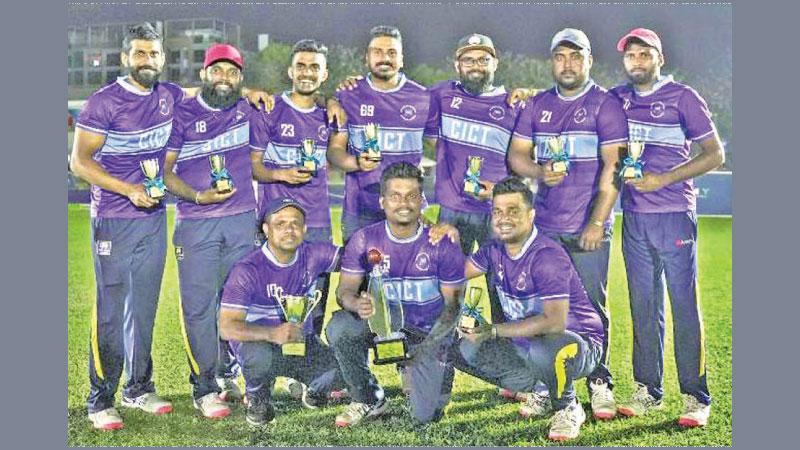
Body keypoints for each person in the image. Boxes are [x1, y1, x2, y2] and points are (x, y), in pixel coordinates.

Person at [507, 28, 628, 419]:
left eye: (576, 56)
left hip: (586, 227)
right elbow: (517, 157)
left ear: (589, 60)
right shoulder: (537, 104)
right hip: (546, 228)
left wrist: (597, 221)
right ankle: (550, 383)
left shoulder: (605, 104)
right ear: (552, 61)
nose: (568, 64)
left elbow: (615, 167)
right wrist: (540, 172)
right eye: (561, 57)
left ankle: (600, 381)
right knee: (549, 307)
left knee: (591, 307)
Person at [70, 22, 182, 430]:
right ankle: (100, 399)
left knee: (144, 308)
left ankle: (138, 388)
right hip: (114, 221)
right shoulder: (103, 102)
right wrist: (129, 189)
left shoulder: (168, 95)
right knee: (111, 312)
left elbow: (208, 97)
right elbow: (79, 163)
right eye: (139, 53)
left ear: (162, 58)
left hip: (153, 220)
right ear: (125, 58)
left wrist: (254, 94)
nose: (147, 60)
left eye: (153, 53)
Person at [611, 28, 725, 428]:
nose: (637, 61)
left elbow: (715, 154)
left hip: (674, 213)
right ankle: (648, 390)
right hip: (634, 217)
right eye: (631, 55)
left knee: (683, 306)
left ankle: (696, 396)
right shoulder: (617, 99)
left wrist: (664, 179)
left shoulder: (683, 97)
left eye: (645, 54)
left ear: (660, 57)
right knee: (643, 306)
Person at [451, 177, 605, 441]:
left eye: (514, 211)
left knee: (546, 347)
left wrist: (493, 330)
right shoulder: (494, 250)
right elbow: (455, 275)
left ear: (531, 215)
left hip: (577, 344)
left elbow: (554, 324)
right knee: (462, 348)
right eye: (498, 211)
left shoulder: (546, 256)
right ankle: (541, 389)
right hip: (530, 344)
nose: (504, 218)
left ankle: (568, 406)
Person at [250, 39, 372, 346]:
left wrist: (356, 162)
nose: (307, 72)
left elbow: (334, 154)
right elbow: (254, 166)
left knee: (313, 299)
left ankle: (306, 371)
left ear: (325, 74)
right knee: (269, 299)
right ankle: (268, 367)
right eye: (301, 66)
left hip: (315, 222)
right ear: (290, 71)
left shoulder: (330, 115)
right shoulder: (270, 109)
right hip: (275, 221)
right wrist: (280, 174)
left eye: (314, 67)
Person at [163, 43, 262, 418]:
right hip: (196, 224)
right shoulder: (183, 112)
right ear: (204, 74)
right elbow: (167, 171)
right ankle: (203, 387)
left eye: (232, 72)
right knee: (199, 310)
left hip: (241, 221)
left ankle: (233, 375)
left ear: (240, 78)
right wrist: (198, 196)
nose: (224, 78)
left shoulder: (247, 109)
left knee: (240, 303)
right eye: (217, 71)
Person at [327, 162, 466, 426]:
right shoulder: (363, 238)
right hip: (383, 325)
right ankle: (367, 398)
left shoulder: (440, 241)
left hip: (426, 333)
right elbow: (343, 290)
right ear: (382, 202)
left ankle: (430, 376)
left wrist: (429, 349)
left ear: (422, 201)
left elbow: (453, 306)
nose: (404, 203)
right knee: (340, 326)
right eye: (395, 196)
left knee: (427, 415)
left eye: (411, 195)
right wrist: (356, 303)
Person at [218, 198, 345, 426]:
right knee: (259, 358)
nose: (289, 229)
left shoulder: (313, 254)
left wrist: (389, 244)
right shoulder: (247, 269)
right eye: (280, 223)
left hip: (299, 342)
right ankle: (258, 396)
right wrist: (271, 334)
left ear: (304, 229)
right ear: (266, 230)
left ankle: (315, 390)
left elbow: (354, 259)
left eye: (295, 223)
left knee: (343, 369)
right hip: (260, 345)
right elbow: (227, 327)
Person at [327, 26, 438, 243]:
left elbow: (444, 148)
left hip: (406, 206)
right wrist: (356, 162)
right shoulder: (348, 95)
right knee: (357, 274)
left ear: (402, 59)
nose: (384, 58)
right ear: (366, 58)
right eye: (377, 52)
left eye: (392, 53)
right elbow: (335, 150)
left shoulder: (423, 97)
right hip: (359, 207)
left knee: (406, 275)